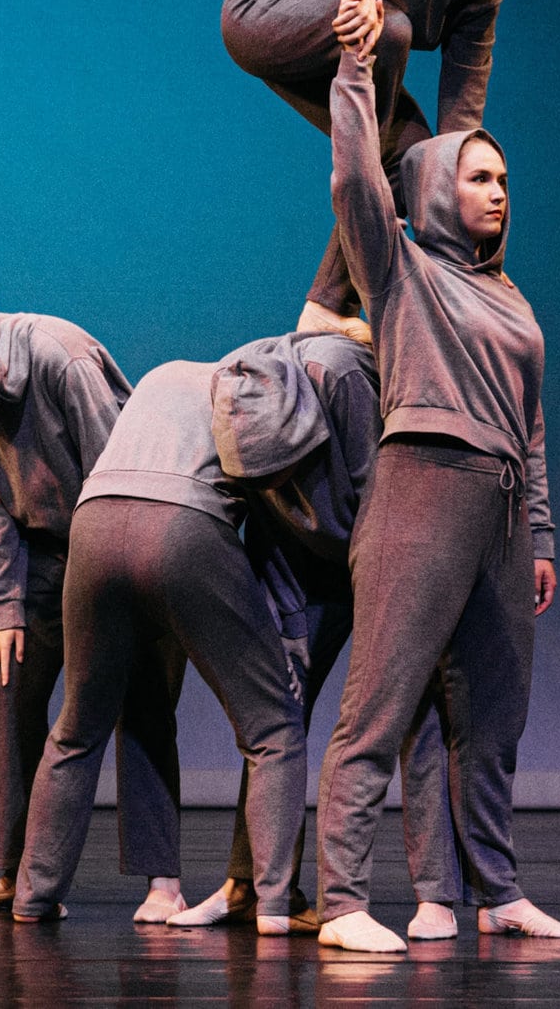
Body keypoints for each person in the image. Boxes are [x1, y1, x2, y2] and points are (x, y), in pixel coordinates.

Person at [311, 15, 560, 952]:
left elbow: (530, 426)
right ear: (434, 188)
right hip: (420, 486)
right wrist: (354, 65)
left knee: (492, 716)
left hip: (497, 507)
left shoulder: (511, 296)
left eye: (504, 180)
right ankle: (342, 902)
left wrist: (537, 535)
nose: (499, 193)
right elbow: (353, 179)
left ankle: (495, 891)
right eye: (479, 177)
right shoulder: (404, 269)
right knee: (381, 705)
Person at [0, 299, 188, 922]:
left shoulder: (61, 358)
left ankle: (164, 882)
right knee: (12, 693)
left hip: (125, 537)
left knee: (143, 704)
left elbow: (119, 471)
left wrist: (110, 585)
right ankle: (14, 873)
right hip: (44, 555)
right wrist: (6, 607)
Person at [165, 331, 464, 941]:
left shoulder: (342, 379)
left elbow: (385, 506)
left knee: (412, 709)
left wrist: (392, 603)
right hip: (304, 562)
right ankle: (248, 887)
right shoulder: (235, 389)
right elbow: (261, 525)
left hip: (385, 547)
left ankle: (436, 896)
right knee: (278, 714)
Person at [8, 358, 309, 935]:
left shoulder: (163, 375)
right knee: (273, 727)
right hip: (183, 526)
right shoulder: (258, 395)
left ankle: (33, 897)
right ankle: (272, 905)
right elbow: (273, 531)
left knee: (76, 729)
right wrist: (290, 634)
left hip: (93, 523)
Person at [220, 0, 560, 337]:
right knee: (390, 30)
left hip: (346, 44)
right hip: (264, 8)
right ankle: (360, 198)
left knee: (416, 160)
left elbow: (462, 117)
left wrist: (478, 252)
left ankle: (327, 305)